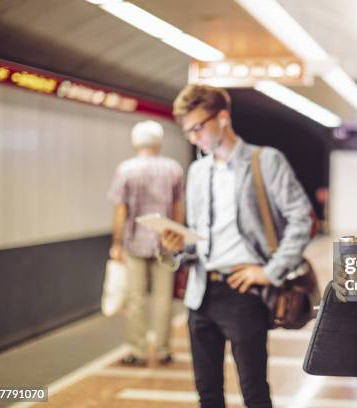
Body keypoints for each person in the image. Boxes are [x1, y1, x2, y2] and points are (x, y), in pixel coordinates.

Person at [161, 84, 313, 408]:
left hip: (243, 292)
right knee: (208, 393)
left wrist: (271, 272)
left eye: (198, 127)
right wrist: (179, 246)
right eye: (188, 131)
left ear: (223, 117)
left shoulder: (265, 161)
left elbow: (302, 218)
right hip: (201, 292)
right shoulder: (198, 171)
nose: (193, 137)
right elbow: (200, 236)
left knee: (254, 392)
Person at [108, 120, 184, 366]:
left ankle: (138, 350)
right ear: (159, 142)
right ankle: (163, 350)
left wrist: (117, 242)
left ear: (135, 141)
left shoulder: (126, 169)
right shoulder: (173, 169)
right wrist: (178, 237)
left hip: (134, 241)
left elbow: (121, 209)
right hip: (165, 241)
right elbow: (177, 207)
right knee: (163, 298)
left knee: (136, 298)